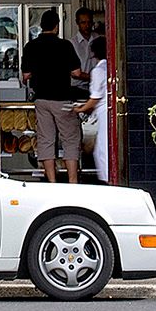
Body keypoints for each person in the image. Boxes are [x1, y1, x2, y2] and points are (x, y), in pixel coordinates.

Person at [21, 13, 82, 184]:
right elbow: (76, 73)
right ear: (57, 26)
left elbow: (25, 75)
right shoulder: (65, 45)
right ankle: (72, 183)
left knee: (46, 140)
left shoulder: (30, 46)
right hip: (62, 98)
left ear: (41, 25)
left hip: (41, 99)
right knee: (70, 139)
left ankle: (52, 183)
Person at [78, 31, 108, 184]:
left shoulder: (98, 71)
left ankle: (107, 181)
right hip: (107, 112)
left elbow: (94, 98)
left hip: (103, 112)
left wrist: (80, 109)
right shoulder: (109, 67)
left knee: (102, 150)